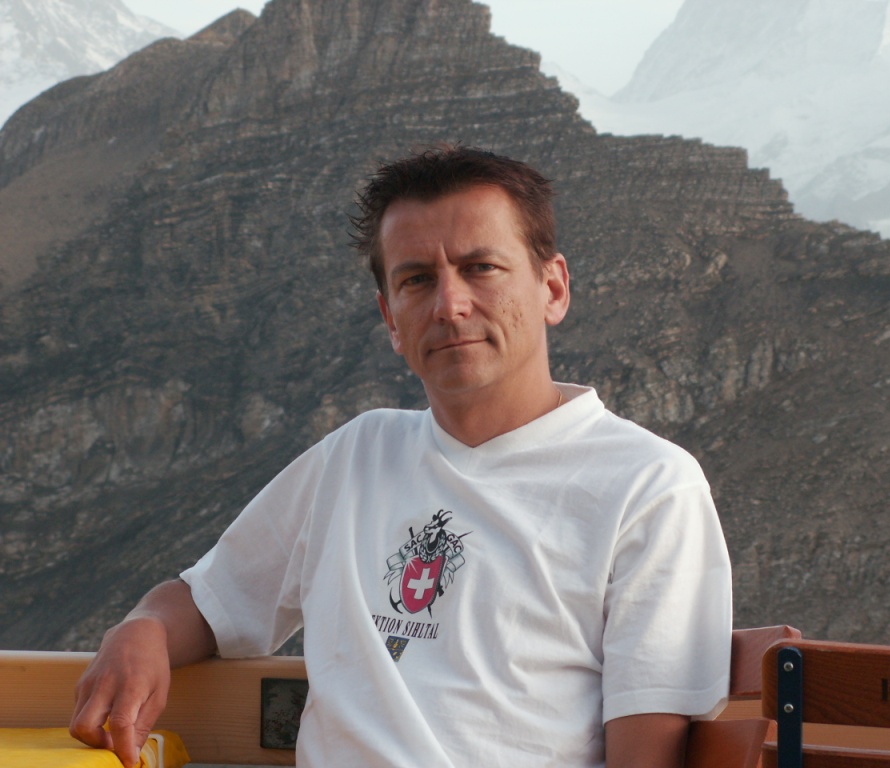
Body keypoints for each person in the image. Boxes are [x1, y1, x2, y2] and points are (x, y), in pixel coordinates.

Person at [70, 145, 732, 767]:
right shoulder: (356, 456)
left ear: (552, 289)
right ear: (390, 318)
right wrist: (145, 628)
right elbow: (210, 601)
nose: (450, 305)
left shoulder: (648, 487)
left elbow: (648, 753)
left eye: (481, 268)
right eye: (417, 280)